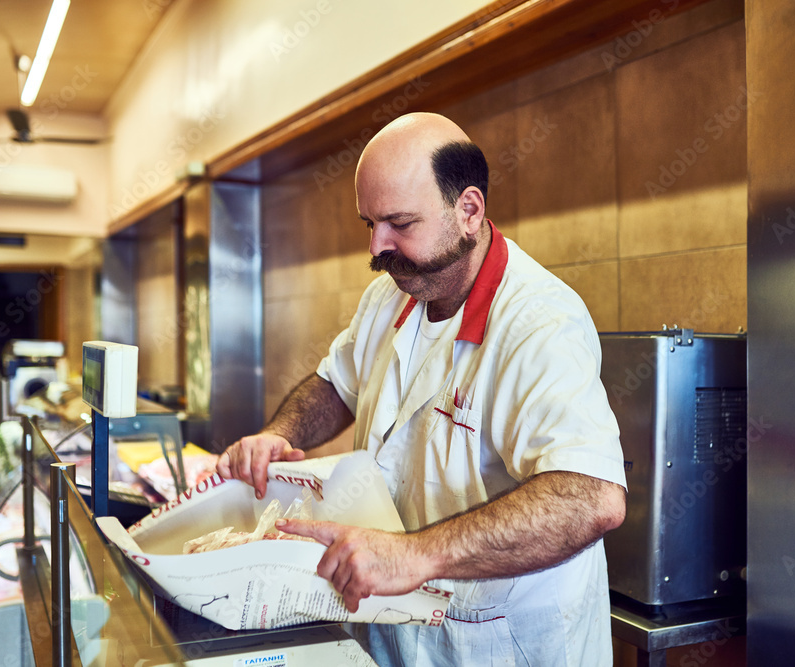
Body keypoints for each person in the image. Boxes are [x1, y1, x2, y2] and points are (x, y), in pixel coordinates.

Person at [217, 112, 628, 666]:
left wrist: (415, 555)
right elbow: (336, 385)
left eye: (399, 223)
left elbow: (592, 500)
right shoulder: (392, 293)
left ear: (468, 210)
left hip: (498, 642)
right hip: (393, 629)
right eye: (369, 223)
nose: (378, 246)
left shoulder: (539, 323)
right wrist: (278, 433)